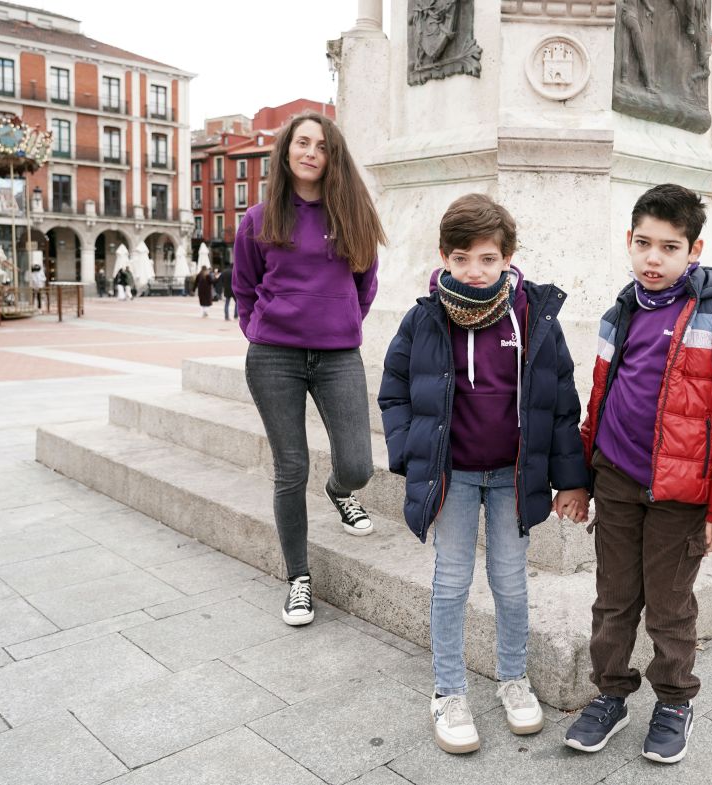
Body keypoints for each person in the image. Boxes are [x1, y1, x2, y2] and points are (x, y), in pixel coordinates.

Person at [378, 194, 589, 754]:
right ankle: (448, 690)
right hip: (454, 476)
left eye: (488, 259)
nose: (475, 271)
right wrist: (409, 452)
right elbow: (394, 390)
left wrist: (571, 478)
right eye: (463, 258)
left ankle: (513, 679)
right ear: (444, 257)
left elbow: (560, 401)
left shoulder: (532, 316)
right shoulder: (425, 318)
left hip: (512, 476)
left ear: (508, 258)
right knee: (451, 582)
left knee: (511, 583)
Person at [564, 184, 712, 764]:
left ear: (693, 250)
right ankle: (610, 693)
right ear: (629, 242)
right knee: (613, 598)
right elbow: (599, 401)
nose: (654, 258)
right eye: (644, 244)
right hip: (618, 480)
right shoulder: (619, 311)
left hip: (682, 493)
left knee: (670, 604)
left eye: (670, 247)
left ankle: (675, 699)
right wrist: (580, 478)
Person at [232, 111, 386, 627]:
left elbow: (365, 285)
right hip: (274, 357)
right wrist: (259, 331)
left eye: (321, 145)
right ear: (286, 150)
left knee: (360, 463)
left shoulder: (354, 214)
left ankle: (340, 492)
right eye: (302, 142)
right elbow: (244, 287)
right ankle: (299, 579)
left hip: (338, 356)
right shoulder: (258, 219)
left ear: (331, 155)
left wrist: (342, 323)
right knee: (290, 468)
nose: (311, 152)